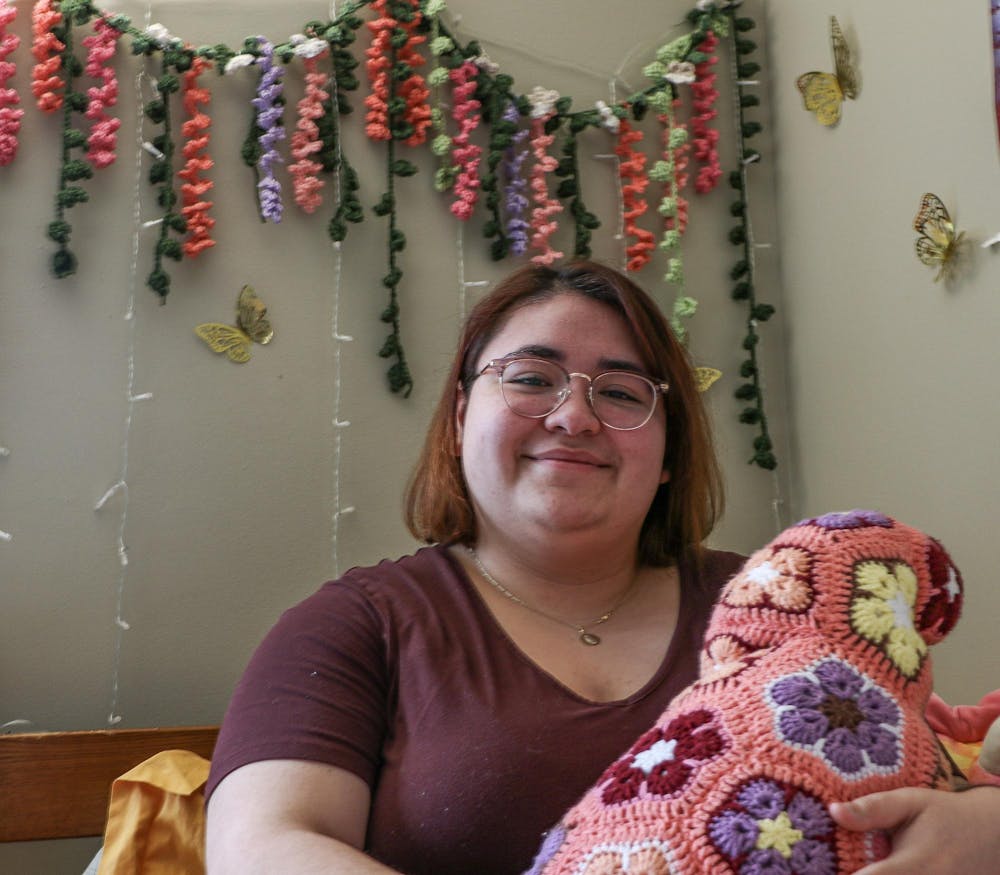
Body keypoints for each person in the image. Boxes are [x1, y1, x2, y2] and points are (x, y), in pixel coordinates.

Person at [205, 261, 1000, 874]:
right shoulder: (359, 624)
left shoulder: (777, 598)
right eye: (529, 378)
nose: (574, 415)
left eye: (621, 392)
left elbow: (919, 759)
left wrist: (987, 829)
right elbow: (263, 845)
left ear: (665, 455)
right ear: (458, 420)